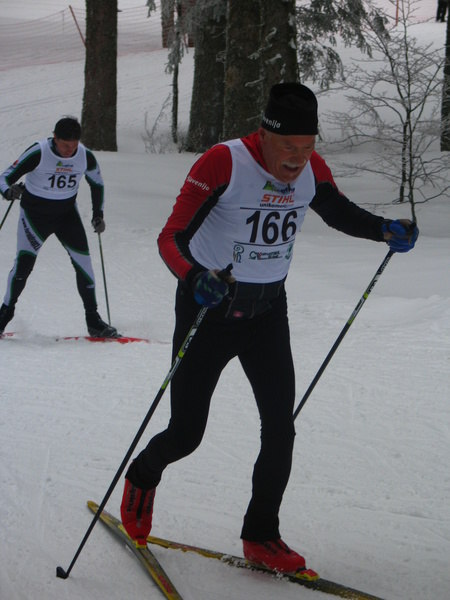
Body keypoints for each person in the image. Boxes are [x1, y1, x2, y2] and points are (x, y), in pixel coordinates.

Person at [119, 83, 418, 575]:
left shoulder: (311, 168)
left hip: (267, 314)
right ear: (263, 135)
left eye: (308, 146)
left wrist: (384, 228)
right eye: (288, 147)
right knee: (186, 434)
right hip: (209, 310)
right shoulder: (223, 162)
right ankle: (143, 475)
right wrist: (194, 277)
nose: (298, 158)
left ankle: (261, 535)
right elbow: (171, 235)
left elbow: (338, 211)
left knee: (281, 429)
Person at [0, 117, 118, 337]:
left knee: (84, 266)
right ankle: (4, 316)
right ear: (55, 137)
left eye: (74, 145)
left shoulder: (84, 155)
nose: (69, 150)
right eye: (65, 145)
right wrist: (8, 191)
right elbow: (5, 177)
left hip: (66, 216)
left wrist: (98, 215)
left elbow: (97, 184)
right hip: (35, 217)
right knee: (23, 267)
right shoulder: (39, 152)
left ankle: (93, 320)